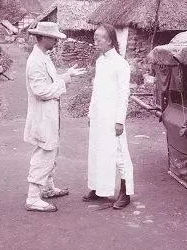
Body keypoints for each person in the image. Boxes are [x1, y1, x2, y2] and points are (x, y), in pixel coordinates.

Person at [24, 21, 86, 212]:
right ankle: (33, 197)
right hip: (42, 115)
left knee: (52, 150)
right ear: (43, 37)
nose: (56, 42)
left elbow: (50, 81)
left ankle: (48, 187)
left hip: (49, 114)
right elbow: (41, 91)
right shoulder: (35, 61)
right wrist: (65, 80)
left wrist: (67, 75)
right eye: (53, 38)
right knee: (45, 151)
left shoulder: (43, 57)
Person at [84, 23, 134, 209]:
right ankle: (98, 188)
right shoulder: (100, 62)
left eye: (99, 38)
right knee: (97, 151)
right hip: (99, 116)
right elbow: (96, 91)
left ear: (110, 41)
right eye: (95, 38)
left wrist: (120, 120)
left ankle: (125, 193)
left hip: (113, 117)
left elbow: (123, 94)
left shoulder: (121, 64)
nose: (95, 41)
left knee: (119, 154)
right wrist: (91, 113)